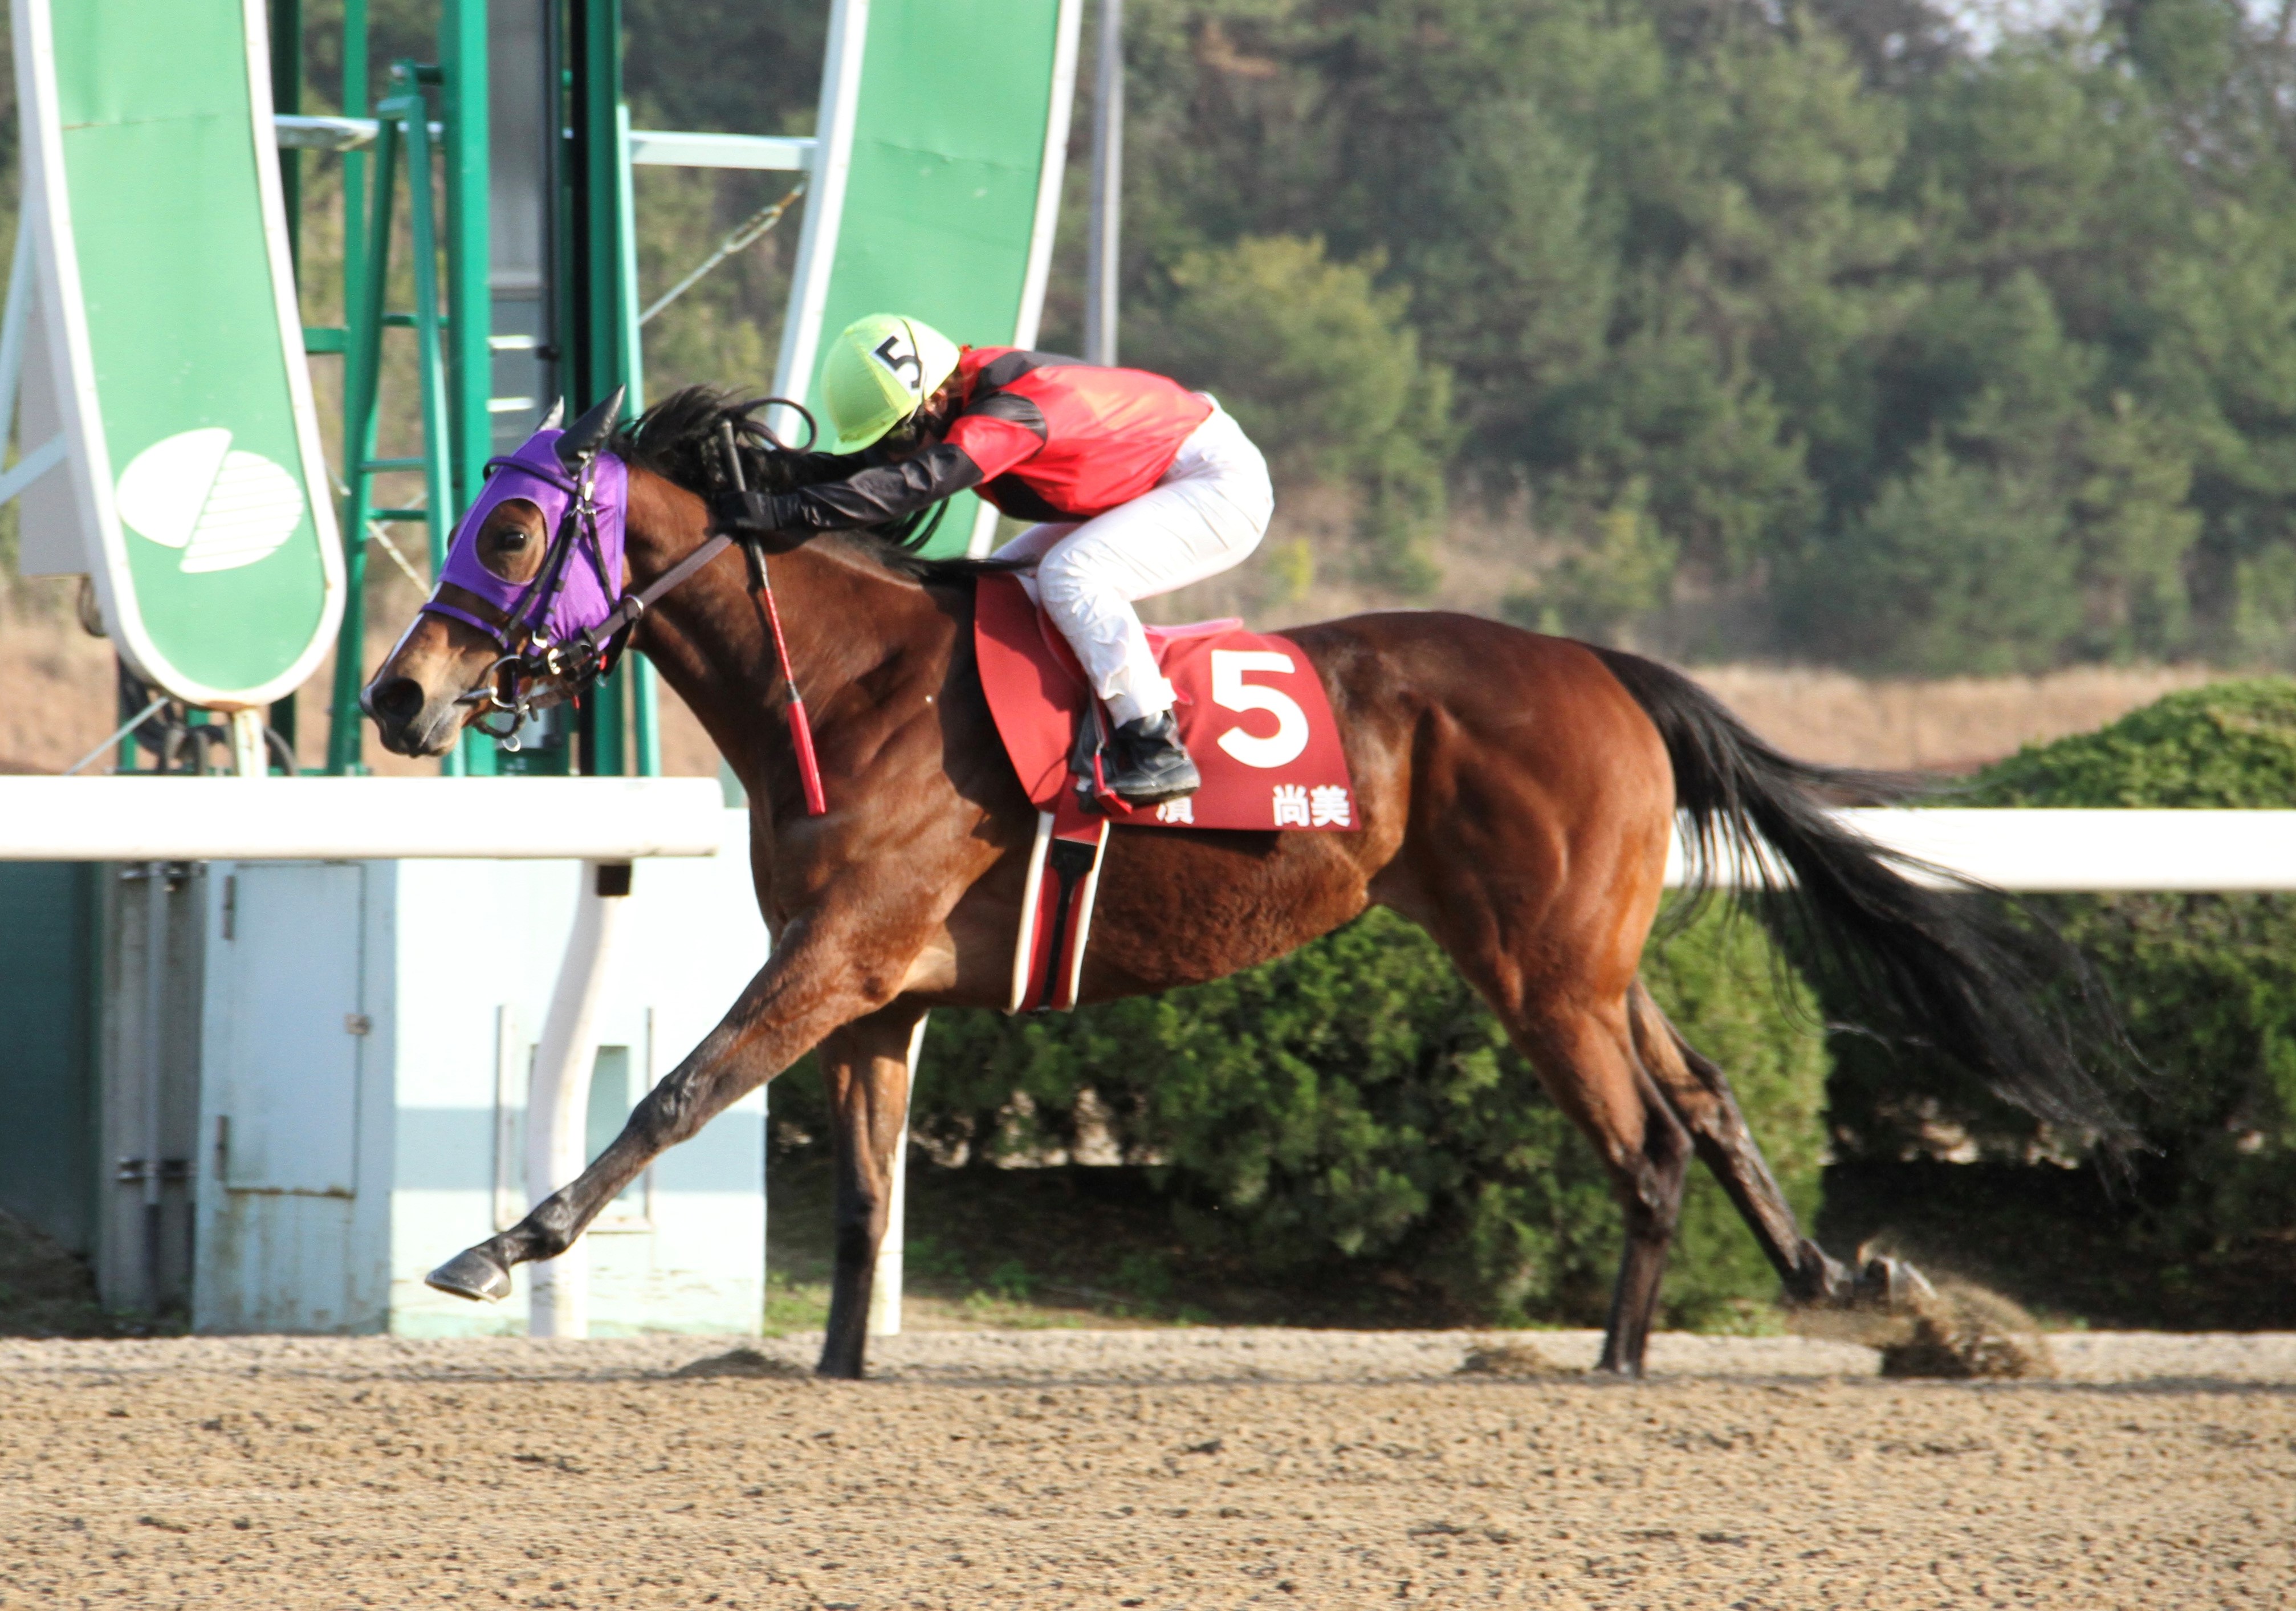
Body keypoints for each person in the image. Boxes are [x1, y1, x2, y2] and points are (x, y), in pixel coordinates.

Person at [710, 314, 1275, 807]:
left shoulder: (1015, 411)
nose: (893, 451)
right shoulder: (953, 393)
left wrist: (785, 511)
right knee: (995, 588)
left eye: (898, 436)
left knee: (1071, 575)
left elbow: (916, 481)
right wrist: (763, 476)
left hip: (1215, 483)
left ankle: (1154, 742)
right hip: (1152, 478)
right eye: (885, 441)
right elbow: (880, 468)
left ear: (935, 400)